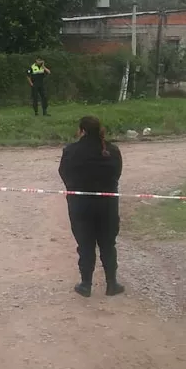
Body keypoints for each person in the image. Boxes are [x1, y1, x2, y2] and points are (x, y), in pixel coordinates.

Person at [59, 116, 125, 298]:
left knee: (85, 245)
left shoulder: (71, 151)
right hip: (108, 205)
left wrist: (74, 189)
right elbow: (116, 174)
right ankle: (112, 284)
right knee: (108, 244)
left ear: (82, 131)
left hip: (80, 205)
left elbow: (64, 174)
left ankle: (86, 284)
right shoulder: (112, 150)